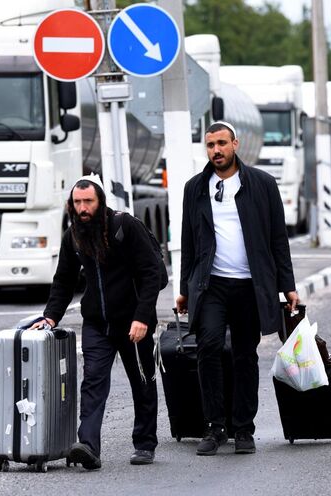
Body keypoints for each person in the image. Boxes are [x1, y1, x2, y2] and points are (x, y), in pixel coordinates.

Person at [176, 121, 299, 456]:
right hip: (211, 284)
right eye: (210, 145)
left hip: (250, 285)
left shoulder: (261, 184)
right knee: (209, 347)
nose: (216, 151)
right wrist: (185, 287)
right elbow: (189, 241)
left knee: (246, 355)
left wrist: (287, 286)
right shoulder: (196, 187)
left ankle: (244, 428)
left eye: (221, 144)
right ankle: (215, 426)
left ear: (235, 144)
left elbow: (278, 240)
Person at [31, 174, 161, 469]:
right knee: (93, 382)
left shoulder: (124, 226)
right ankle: (88, 446)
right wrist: (50, 317)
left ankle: (144, 444)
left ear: (100, 202)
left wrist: (142, 318)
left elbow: (151, 273)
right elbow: (63, 280)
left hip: (133, 323)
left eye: (88, 201)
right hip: (97, 325)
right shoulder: (74, 235)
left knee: (142, 383)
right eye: (77, 202)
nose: (83, 208)